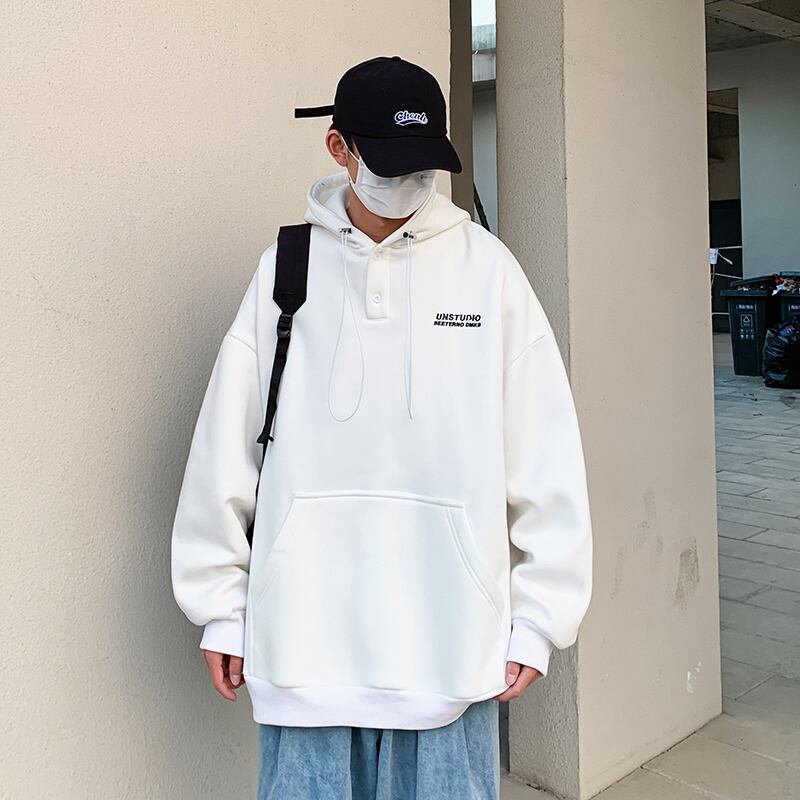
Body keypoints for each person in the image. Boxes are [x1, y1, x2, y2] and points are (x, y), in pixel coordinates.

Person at [170, 55, 593, 800]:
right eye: (392, 163)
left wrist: (540, 618)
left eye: (425, 165)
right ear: (340, 148)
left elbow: (546, 452)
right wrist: (221, 609)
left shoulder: (488, 272)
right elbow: (224, 452)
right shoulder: (286, 271)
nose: (411, 182)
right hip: (303, 645)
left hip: (450, 648)